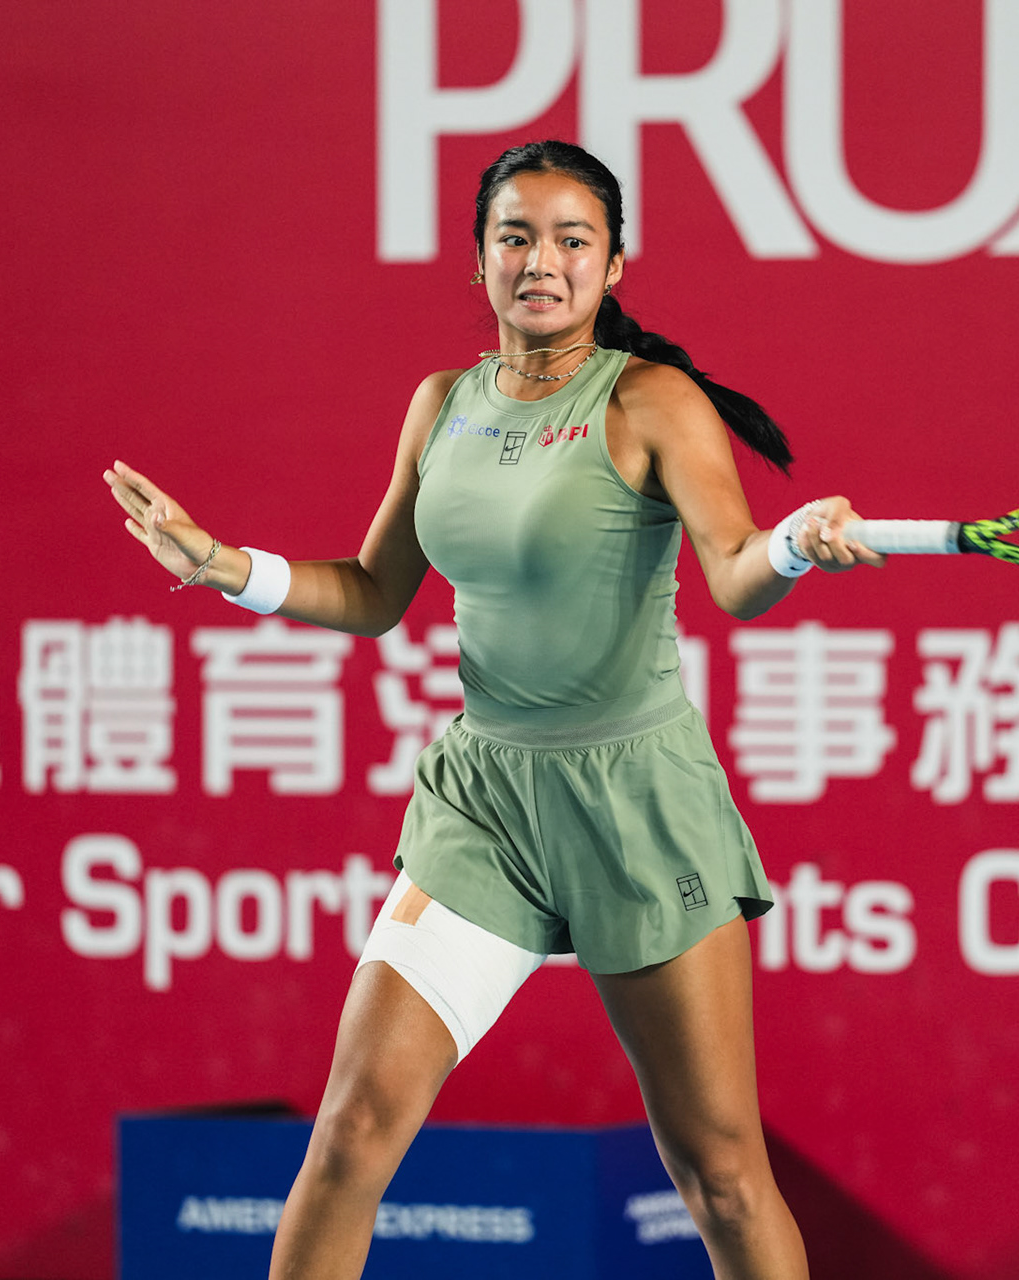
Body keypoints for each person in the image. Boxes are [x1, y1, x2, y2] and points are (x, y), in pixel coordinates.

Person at [103, 139, 881, 1280]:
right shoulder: (442, 404)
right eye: (516, 236)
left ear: (617, 264)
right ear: (478, 259)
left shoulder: (654, 402)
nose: (543, 262)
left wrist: (797, 549)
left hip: (639, 807)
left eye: (574, 240)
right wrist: (228, 564)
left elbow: (734, 571)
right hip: (486, 806)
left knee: (718, 1175)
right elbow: (374, 593)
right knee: (352, 1129)